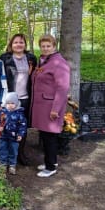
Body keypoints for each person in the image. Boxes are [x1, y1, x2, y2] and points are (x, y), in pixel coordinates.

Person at [31, 34, 70, 178]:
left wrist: (55, 109)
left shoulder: (59, 63)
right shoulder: (44, 61)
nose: (45, 48)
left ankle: (51, 166)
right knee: (45, 135)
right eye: (43, 46)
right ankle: (49, 161)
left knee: (50, 136)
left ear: (54, 46)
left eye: (48, 46)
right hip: (43, 106)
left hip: (50, 107)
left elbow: (63, 88)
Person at [0, 34, 37, 165]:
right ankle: (7, 157)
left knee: (22, 127)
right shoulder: (5, 58)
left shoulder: (31, 58)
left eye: (21, 42)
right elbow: (0, 78)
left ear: (25, 44)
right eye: (15, 42)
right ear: (11, 44)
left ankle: (20, 154)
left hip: (25, 98)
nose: (18, 45)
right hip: (10, 99)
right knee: (8, 127)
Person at [0, 92, 27, 175]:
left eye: (12, 103)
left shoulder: (19, 114)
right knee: (2, 149)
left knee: (13, 151)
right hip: (3, 136)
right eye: (8, 103)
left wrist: (20, 134)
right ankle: (3, 164)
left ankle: (12, 165)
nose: (10, 105)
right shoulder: (2, 112)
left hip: (14, 138)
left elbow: (22, 125)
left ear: (16, 104)